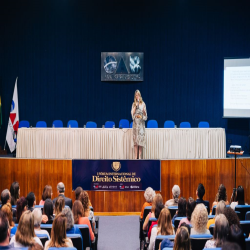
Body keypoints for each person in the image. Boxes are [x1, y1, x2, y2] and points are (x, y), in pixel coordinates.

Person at [131, 90, 147, 159]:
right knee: (135, 140)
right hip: (135, 124)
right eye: (136, 95)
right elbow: (132, 113)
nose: (137, 96)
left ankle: (139, 156)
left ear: (140, 96)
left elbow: (145, 115)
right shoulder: (134, 104)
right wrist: (136, 106)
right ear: (135, 96)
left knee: (140, 140)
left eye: (138, 95)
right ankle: (135, 156)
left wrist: (144, 112)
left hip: (141, 124)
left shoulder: (143, 104)